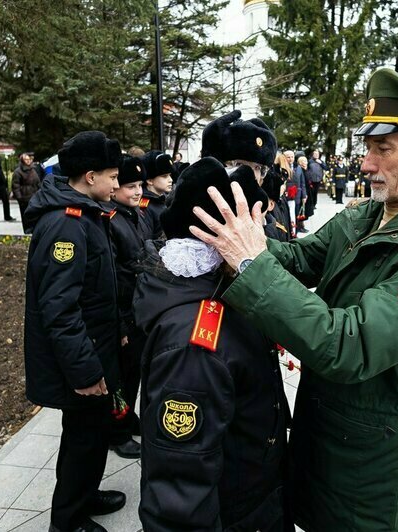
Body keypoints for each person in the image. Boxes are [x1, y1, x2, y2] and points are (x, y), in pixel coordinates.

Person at [190, 67, 398, 531]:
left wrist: (250, 263)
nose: (366, 164)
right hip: (318, 433)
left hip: (369, 466)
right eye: (368, 148)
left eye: (382, 149)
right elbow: (298, 258)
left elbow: (350, 345)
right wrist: (233, 235)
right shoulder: (367, 215)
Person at [134, 158, 291, 531]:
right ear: (223, 240)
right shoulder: (196, 344)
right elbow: (179, 490)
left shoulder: (224, 291)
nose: (264, 236)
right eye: (255, 227)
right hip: (235, 510)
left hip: (251, 495)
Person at [22, 131, 126, 532]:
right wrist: (84, 373)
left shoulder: (85, 212)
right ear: (89, 176)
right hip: (80, 360)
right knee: (83, 437)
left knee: (92, 433)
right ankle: (67, 521)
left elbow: (97, 288)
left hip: (95, 347)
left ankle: (85, 494)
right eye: (112, 176)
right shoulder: (66, 226)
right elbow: (60, 309)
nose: (117, 185)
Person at [101, 156, 149, 460]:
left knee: (135, 372)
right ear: (115, 187)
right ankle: (117, 433)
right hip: (123, 312)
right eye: (130, 185)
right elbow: (114, 277)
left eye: (140, 185)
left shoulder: (135, 215)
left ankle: (128, 417)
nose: (137, 191)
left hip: (138, 308)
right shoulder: (110, 220)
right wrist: (120, 323)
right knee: (122, 376)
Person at [139, 150, 173, 240]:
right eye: (164, 176)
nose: (170, 180)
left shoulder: (162, 199)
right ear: (150, 180)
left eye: (170, 175)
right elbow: (148, 240)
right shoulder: (145, 206)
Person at [12, 152, 42, 227]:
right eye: (26, 159)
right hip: (24, 197)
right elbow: (15, 186)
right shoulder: (18, 172)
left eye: (29, 159)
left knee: (34, 214)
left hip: (34, 195)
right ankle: (27, 228)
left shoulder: (33, 170)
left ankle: (33, 227)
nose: (28, 161)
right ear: (22, 160)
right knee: (25, 214)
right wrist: (19, 198)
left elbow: (38, 182)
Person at [306, 149, 326, 214]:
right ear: (313, 154)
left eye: (317, 154)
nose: (316, 155)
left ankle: (314, 204)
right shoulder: (310, 161)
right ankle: (311, 205)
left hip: (318, 180)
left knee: (315, 193)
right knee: (311, 193)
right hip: (311, 180)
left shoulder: (321, 161)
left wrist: (321, 163)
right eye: (315, 154)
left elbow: (326, 168)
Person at [293, 156, 309, 232]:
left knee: (300, 211)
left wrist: (304, 195)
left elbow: (303, 183)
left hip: (302, 193)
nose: (305, 163)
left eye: (306, 161)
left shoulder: (302, 169)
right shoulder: (298, 168)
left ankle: (299, 227)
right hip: (295, 194)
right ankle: (297, 227)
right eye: (303, 161)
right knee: (297, 212)